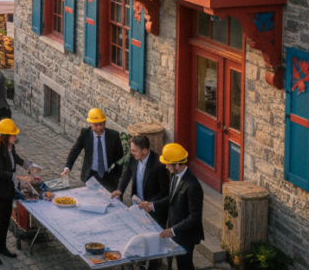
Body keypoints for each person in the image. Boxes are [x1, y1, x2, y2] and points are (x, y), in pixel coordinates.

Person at [139, 143, 204, 270]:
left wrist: (173, 230)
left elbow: (194, 218)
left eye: (168, 164)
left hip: (185, 235)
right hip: (174, 230)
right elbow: (172, 197)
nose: (166, 166)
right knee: (171, 262)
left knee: (184, 265)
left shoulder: (192, 186)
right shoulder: (175, 175)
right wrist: (153, 205)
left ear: (178, 165)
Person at [0, 119, 41, 265]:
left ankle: (2, 247)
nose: (15, 138)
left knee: (5, 221)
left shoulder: (10, 147)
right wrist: (17, 177)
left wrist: (28, 165)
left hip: (7, 190)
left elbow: (16, 159)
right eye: (12, 135)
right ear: (4, 135)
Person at [112, 135, 171, 269]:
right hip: (138, 208)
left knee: (155, 244)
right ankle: (135, 262)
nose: (131, 153)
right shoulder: (134, 158)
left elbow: (165, 191)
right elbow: (127, 173)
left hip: (154, 211)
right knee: (135, 237)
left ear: (145, 151)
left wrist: (150, 204)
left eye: (134, 150)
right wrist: (120, 190)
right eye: (131, 150)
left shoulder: (158, 165)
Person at [62, 108, 125, 192]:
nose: (99, 128)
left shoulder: (114, 136)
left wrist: (117, 176)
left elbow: (120, 158)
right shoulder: (85, 133)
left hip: (109, 176)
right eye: (96, 125)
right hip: (90, 174)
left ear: (105, 123)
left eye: (101, 124)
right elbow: (75, 150)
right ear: (91, 123)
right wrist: (67, 167)